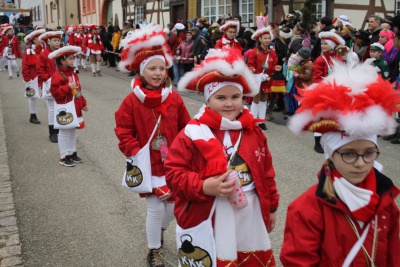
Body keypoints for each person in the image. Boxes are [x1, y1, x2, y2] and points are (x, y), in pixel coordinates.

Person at [165, 47, 280, 266]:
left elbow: (266, 172)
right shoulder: (191, 133)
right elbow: (173, 174)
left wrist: (272, 207)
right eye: (221, 97)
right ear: (207, 100)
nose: (229, 103)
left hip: (250, 212)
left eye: (235, 96)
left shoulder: (253, 131)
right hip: (211, 212)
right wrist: (203, 186)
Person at [281, 60, 400, 266]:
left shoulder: (385, 199)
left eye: (369, 153)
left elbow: (393, 254)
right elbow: (298, 261)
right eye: (349, 154)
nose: (361, 163)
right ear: (331, 156)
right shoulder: (307, 209)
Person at [114, 24, 191, 267]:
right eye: (152, 68)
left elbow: (186, 127)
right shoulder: (131, 101)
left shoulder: (174, 98)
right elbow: (123, 130)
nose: (157, 73)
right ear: (142, 70)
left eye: (161, 68)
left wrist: (187, 151)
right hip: (148, 165)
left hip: (172, 162)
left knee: (171, 208)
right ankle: (153, 250)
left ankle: (158, 232)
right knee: (155, 209)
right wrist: (136, 152)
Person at [49, 46, 88, 167]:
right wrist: (68, 87)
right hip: (64, 108)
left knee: (72, 132)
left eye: (73, 58)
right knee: (64, 132)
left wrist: (83, 102)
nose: (73, 61)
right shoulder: (57, 75)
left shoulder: (73, 74)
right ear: (62, 61)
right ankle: (63, 156)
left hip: (74, 107)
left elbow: (78, 90)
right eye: (70, 59)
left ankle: (72, 152)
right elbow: (55, 93)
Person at [312, 31, 345, 154]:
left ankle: (332, 138)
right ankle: (317, 141)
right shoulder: (320, 60)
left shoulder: (339, 58)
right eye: (322, 43)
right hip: (323, 90)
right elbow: (316, 77)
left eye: (326, 44)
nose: (323, 46)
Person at [247, 26, 280, 132]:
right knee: (256, 99)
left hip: (267, 79)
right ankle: (252, 121)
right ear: (260, 39)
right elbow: (250, 64)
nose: (267, 40)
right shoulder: (254, 52)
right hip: (257, 78)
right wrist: (251, 69)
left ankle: (261, 121)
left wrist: (276, 68)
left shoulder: (272, 52)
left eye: (268, 38)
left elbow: (274, 64)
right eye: (265, 38)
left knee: (264, 100)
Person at [37, 30, 64, 143]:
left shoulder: (60, 53)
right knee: (52, 109)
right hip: (49, 83)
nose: (57, 42)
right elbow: (40, 69)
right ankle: (52, 132)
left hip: (60, 84)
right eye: (55, 40)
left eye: (58, 40)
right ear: (48, 42)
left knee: (60, 108)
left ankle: (59, 130)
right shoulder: (43, 54)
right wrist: (50, 79)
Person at [22, 29, 45, 124]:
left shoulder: (43, 50)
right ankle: (33, 115)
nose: (42, 40)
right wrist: (27, 79)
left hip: (43, 76)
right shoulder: (28, 51)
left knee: (47, 96)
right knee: (33, 97)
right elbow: (25, 65)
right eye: (40, 38)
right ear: (34, 40)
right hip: (33, 77)